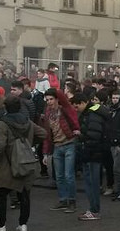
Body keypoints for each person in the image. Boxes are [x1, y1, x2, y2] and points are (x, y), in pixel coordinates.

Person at [0, 98, 45, 231]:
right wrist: (28, 144)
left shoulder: (2, 123)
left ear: (5, 107)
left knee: (1, 194)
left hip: (6, 164)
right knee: (24, 194)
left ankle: (0, 226)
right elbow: (43, 133)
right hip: (23, 164)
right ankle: (23, 225)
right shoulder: (27, 121)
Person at [73, 93, 111, 221]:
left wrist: (81, 136)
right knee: (92, 182)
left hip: (91, 153)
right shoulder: (94, 112)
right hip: (95, 153)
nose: (76, 109)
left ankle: (94, 210)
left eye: (76, 106)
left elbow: (93, 136)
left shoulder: (91, 115)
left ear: (83, 103)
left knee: (91, 183)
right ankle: (94, 209)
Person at [42, 88, 79, 213]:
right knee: (59, 176)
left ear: (57, 99)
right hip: (57, 146)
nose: (49, 102)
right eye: (47, 100)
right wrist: (46, 153)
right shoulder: (47, 113)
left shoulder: (64, 109)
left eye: (51, 99)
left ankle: (72, 201)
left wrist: (57, 91)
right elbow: (47, 134)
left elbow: (65, 102)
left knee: (68, 175)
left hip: (69, 144)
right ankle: (63, 200)